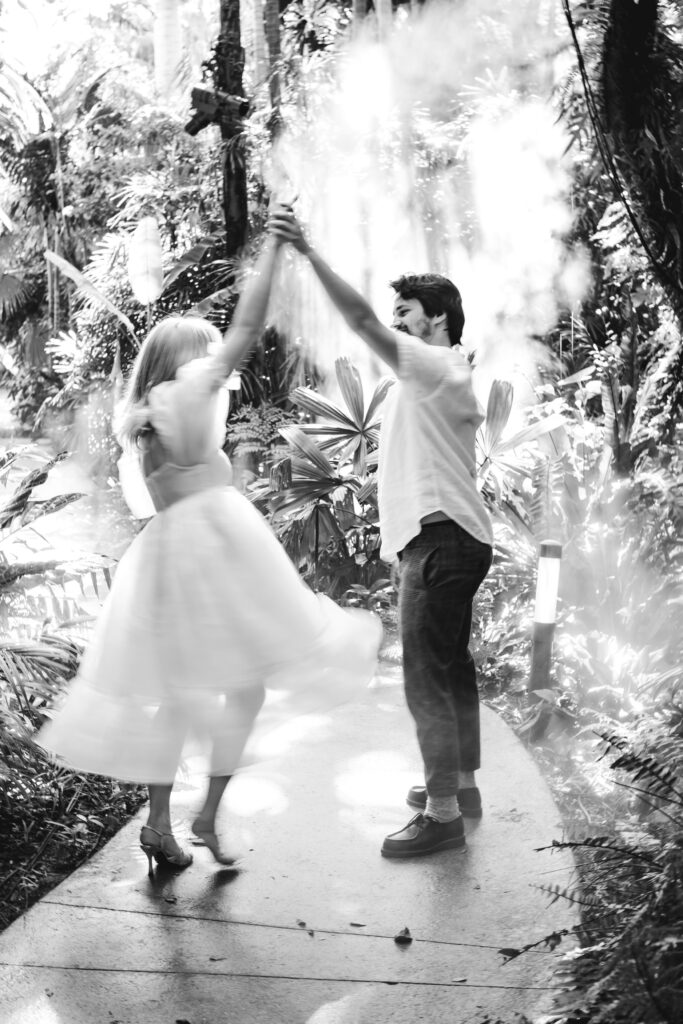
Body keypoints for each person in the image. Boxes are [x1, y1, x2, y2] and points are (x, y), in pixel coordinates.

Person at [36, 219, 381, 873]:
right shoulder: (186, 392)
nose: (217, 369)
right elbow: (246, 334)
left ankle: (164, 825)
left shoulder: (140, 416)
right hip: (213, 548)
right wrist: (275, 249)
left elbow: (150, 495)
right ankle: (205, 816)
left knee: (176, 693)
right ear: (184, 361)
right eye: (205, 354)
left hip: (165, 555)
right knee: (244, 690)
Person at [270, 208, 493, 858]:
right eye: (395, 312)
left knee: (426, 677)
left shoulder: (431, 367)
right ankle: (461, 787)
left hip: (440, 540)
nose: (393, 321)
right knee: (450, 669)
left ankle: (443, 814)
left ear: (436, 318)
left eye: (405, 311)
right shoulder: (434, 375)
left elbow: (361, 322)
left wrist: (308, 253)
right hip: (445, 538)